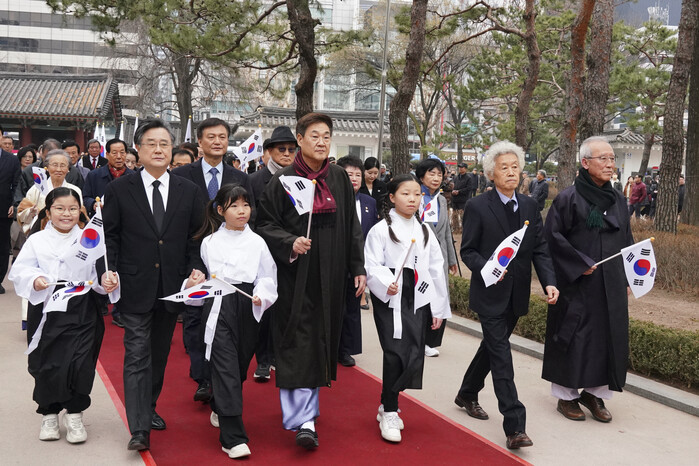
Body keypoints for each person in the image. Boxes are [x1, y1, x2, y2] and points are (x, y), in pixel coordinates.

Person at [256, 113, 365, 449]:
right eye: (314, 136)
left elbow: (352, 226)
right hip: (296, 275)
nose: (321, 142)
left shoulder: (338, 177)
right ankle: (303, 420)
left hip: (332, 273)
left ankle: (307, 412)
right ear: (300, 140)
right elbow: (265, 225)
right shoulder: (283, 181)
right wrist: (290, 242)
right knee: (297, 340)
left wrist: (357, 267)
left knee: (321, 339)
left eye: (326, 136)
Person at [102, 119, 207, 451]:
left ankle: (148, 407)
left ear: (172, 149)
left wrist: (195, 269)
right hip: (134, 284)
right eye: (151, 143)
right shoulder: (119, 189)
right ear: (138, 148)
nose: (159, 149)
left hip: (172, 286)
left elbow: (197, 238)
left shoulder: (189, 190)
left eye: (164, 143)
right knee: (136, 354)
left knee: (158, 354)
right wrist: (109, 270)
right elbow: (110, 237)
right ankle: (139, 427)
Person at [454, 141, 558, 450]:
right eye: (504, 168)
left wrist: (549, 282)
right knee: (501, 356)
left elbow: (540, 248)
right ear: (491, 174)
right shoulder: (477, 206)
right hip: (489, 293)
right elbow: (468, 251)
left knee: (491, 347)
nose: (511, 172)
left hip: (517, 294)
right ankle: (515, 426)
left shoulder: (529, 205)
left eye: (515, 167)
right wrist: (488, 268)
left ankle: (467, 393)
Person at [8, 187, 119, 444]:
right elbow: (22, 269)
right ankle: (49, 413)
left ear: (80, 211)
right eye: (59, 208)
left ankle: (75, 414)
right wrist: (35, 279)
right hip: (47, 306)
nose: (66, 214)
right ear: (48, 212)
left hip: (83, 308)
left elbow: (100, 274)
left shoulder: (90, 239)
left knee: (81, 363)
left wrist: (108, 280)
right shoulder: (37, 240)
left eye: (72, 209)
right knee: (46, 363)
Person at [542, 136, 633, 424]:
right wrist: (578, 263)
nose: (610, 164)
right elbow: (551, 238)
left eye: (612, 158)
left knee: (607, 337)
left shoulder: (618, 199)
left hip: (610, 283)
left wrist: (629, 277)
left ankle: (595, 394)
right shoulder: (568, 198)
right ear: (585, 162)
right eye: (603, 158)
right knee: (574, 336)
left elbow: (626, 240)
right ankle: (566, 396)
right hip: (577, 283)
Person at [192, 184, 277, 459]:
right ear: (220, 210)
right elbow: (203, 277)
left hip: (248, 306)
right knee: (226, 367)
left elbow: (268, 277)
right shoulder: (209, 242)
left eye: (246, 205)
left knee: (238, 368)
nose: (242, 211)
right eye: (235, 206)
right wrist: (194, 283)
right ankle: (233, 438)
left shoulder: (258, 242)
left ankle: (220, 404)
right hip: (218, 305)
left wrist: (262, 295)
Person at [364, 174, 451, 443]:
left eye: (417, 194)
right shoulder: (380, 230)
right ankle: (390, 410)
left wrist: (438, 308)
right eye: (405, 193)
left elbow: (435, 269)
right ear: (392, 197)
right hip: (391, 295)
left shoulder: (424, 231)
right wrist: (386, 282)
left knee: (413, 351)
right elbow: (372, 264)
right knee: (394, 351)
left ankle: (387, 402)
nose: (412, 199)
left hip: (417, 294)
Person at [172, 117, 254, 402]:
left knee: (225, 320)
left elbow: (249, 217)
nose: (217, 141)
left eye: (222, 137)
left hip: (229, 257)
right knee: (195, 317)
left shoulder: (240, 178)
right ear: (200, 141)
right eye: (211, 137)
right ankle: (203, 378)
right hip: (194, 252)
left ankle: (221, 378)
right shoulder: (183, 175)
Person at [248, 125, 297, 381]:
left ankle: (281, 355)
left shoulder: (300, 180)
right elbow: (251, 217)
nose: (287, 153)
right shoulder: (255, 180)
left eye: (291, 149)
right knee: (265, 307)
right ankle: (263, 359)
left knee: (287, 307)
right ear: (269, 151)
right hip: (263, 249)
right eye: (281, 149)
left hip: (292, 252)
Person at [82, 138, 134, 328]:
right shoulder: (95, 175)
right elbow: (85, 197)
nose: (119, 156)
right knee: (101, 263)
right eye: (115, 152)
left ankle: (120, 309)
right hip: (102, 226)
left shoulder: (134, 176)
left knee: (123, 265)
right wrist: (93, 205)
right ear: (108, 154)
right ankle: (102, 300)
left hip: (127, 228)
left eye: (122, 152)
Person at [336, 156, 378, 367]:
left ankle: (346, 349)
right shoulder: (330, 200)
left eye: (357, 175)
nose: (354, 178)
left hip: (358, 264)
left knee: (352, 308)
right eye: (349, 174)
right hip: (335, 262)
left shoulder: (370, 203)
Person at [415, 159, 457, 357]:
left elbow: (446, 231)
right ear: (421, 176)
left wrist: (452, 260)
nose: (436, 178)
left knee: (439, 295)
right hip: (420, 254)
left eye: (439, 174)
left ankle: (431, 341)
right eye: (431, 173)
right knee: (421, 294)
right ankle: (417, 338)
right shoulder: (415, 196)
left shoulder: (441, 199)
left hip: (440, 255)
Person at [17, 150, 83, 235]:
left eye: (63, 165)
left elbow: (79, 215)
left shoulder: (75, 190)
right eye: (55, 165)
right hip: (40, 234)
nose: (58, 169)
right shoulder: (36, 189)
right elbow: (21, 214)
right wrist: (30, 212)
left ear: (68, 169)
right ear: (47, 167)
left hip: (67, 234)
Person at [0, 140, 21, 293]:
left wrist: (13, 205)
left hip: (3, 209)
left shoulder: (12, 160)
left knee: (2, 247)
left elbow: (17, 184)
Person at [450, 163, 471, 234]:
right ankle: (455, 229)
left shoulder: (468, 178)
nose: (460, 169)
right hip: (455, 199)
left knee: (462, 215)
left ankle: (464, 229)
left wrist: (459, 191)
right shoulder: (456, 177)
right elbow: (453, 186)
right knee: (454, 215)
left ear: (465, 169)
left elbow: (469, 188)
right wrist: (453, 191)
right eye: (459, 167)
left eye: (462, 167)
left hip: (463, 200)